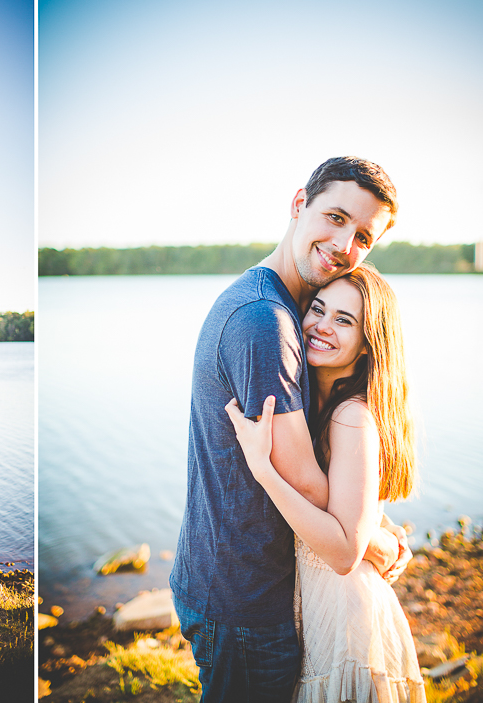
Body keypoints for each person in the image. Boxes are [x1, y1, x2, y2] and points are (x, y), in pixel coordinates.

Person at [169, 157, 413, 701]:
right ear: (299, 203)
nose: (345, 243)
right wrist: (368, 537)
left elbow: (319, 461)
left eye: (364, 237)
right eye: (335, 216)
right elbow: (303, 479)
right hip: (243, 599)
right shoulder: (265, 322)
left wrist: (369, 515)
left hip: (241, 583)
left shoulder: (290, 310)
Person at [224, 264, 425, 701]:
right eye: (318, 309)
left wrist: (263, 471)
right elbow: (354, 503)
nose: (321, 326)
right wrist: (384, 530)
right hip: (319, 611)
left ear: (369, 343)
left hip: (344, 619)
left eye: (344, 320)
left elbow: (343, 553)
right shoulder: (318, 400)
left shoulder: (350, 414)